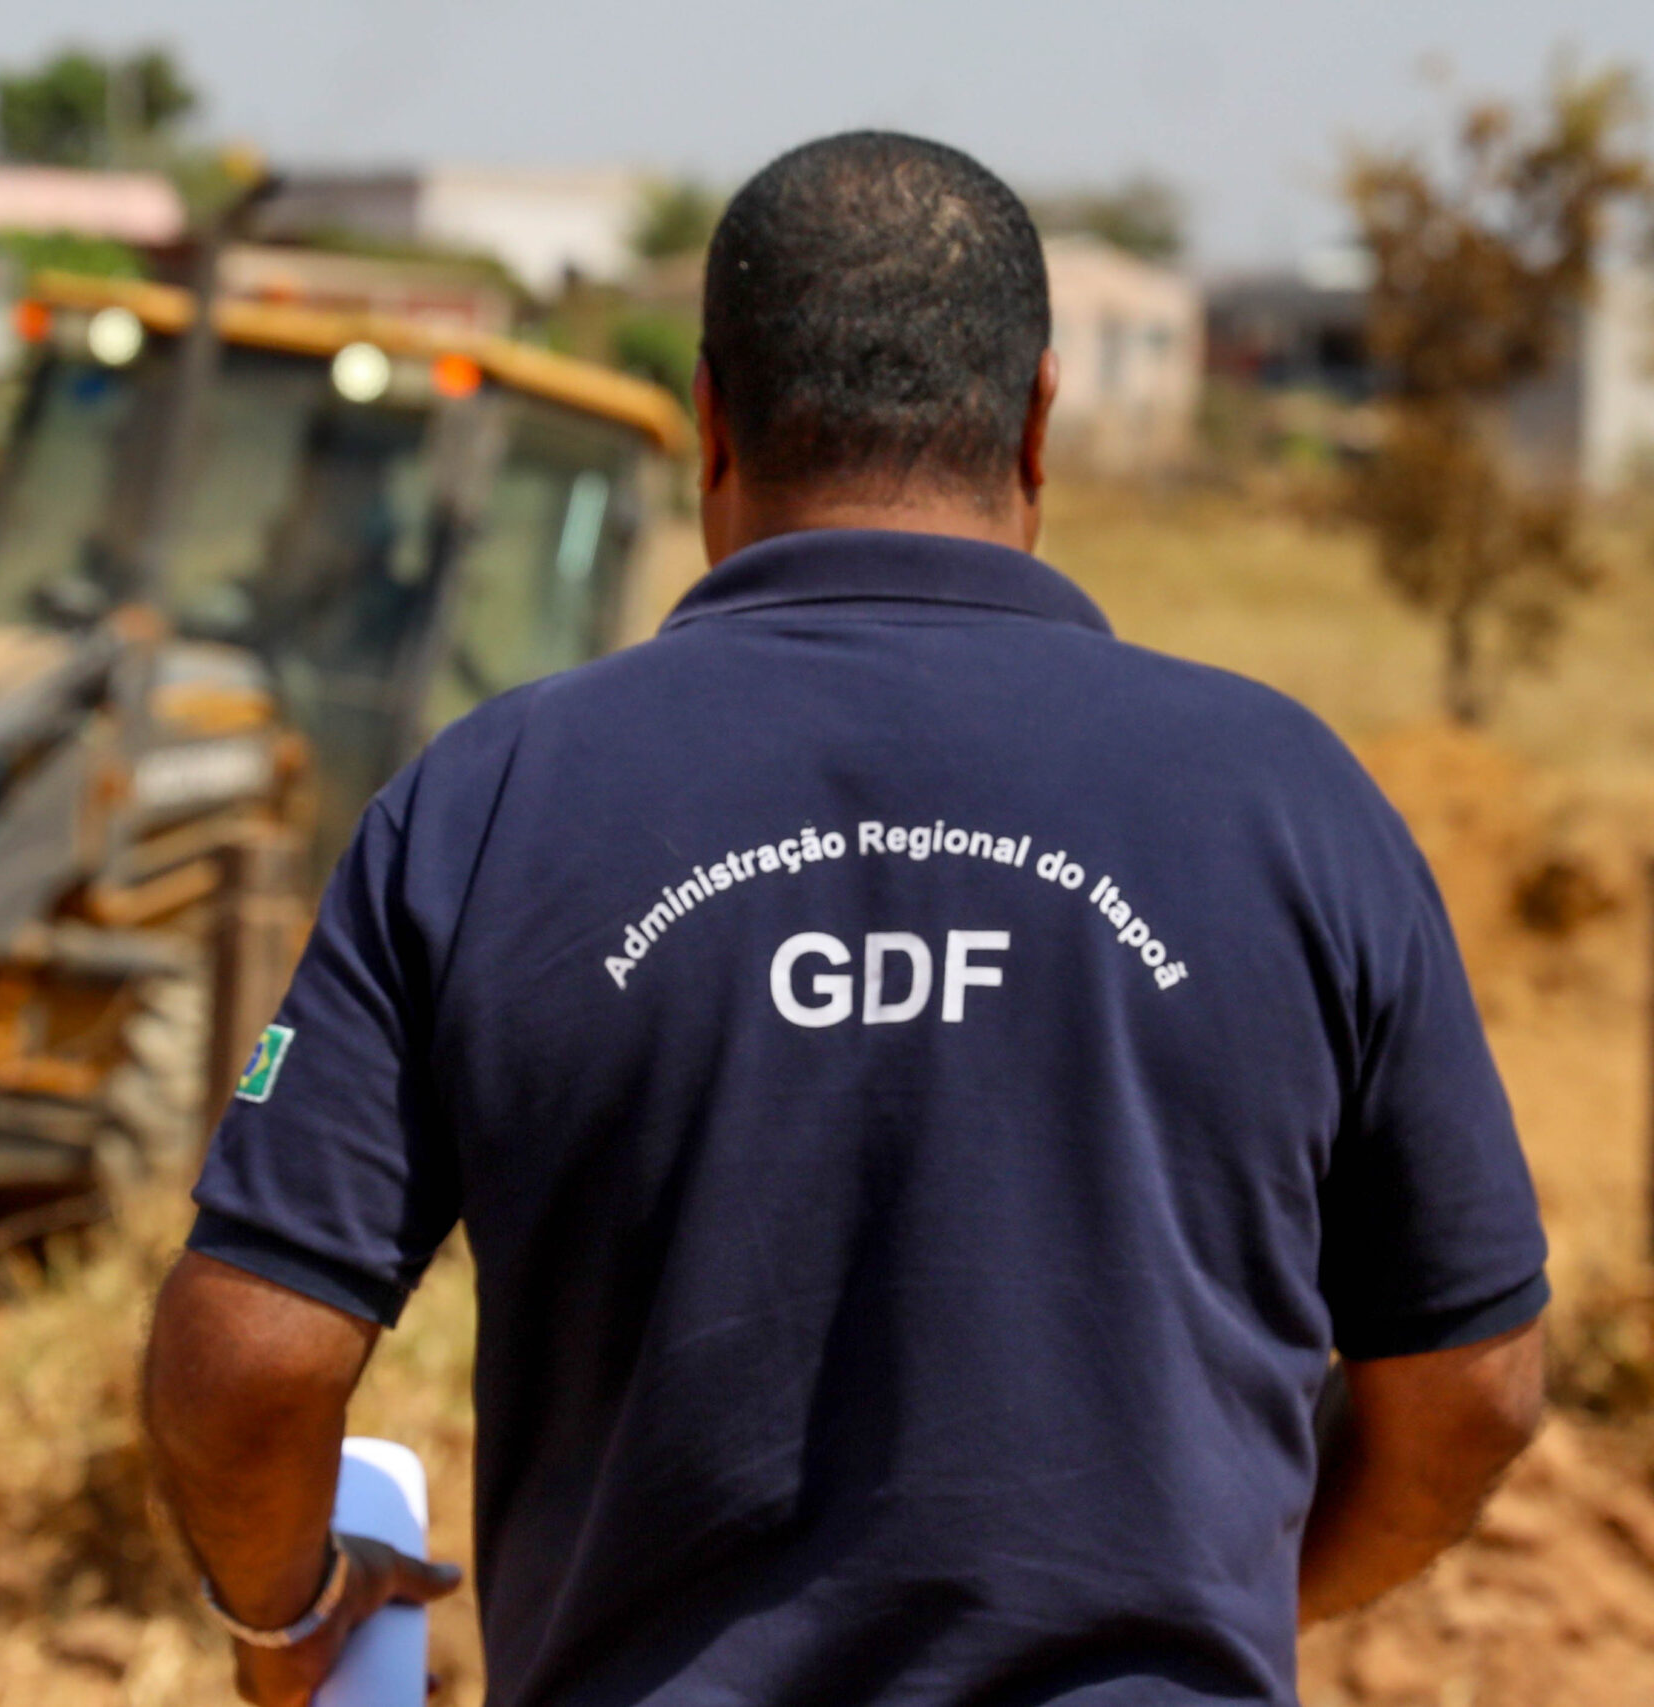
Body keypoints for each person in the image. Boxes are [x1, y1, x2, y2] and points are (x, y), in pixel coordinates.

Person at [141, 131, 1549, 1707]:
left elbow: (248, 1365)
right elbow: (1474, 1392)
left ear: (711, 418)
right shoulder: (1294, 798)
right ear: (1036, 421)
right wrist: (1221, 1606)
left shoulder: (486, 802)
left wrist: (290, 1620)